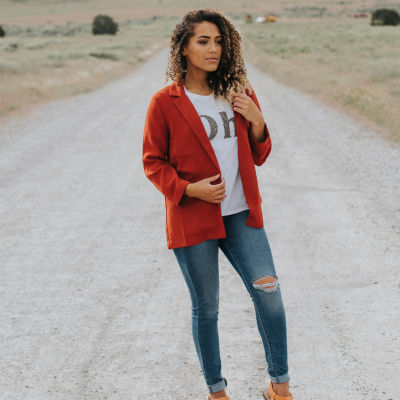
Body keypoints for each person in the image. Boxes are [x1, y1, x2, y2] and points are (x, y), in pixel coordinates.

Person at [142, 8, 293, 400]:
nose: (213, 49)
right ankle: (217, 392)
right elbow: (153, 162)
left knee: (269, 294)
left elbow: (259, 154)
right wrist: (190, 190)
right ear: (184, 47)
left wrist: (257, 121)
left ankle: (279, 388)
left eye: (220, 41)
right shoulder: (165, 102)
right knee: (206, 308)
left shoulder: (238, 92)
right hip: (193, 219)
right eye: (203, 41)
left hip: (242, 214)